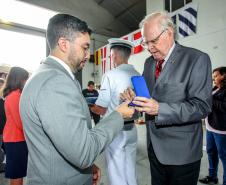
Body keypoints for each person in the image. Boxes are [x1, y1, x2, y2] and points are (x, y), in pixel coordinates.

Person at [19, 14, 134, 185]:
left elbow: (68, 143)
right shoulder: (54, 83)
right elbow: (83, 153)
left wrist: (86, 170)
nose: (88, 55)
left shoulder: (51, 76)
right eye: (85, 47)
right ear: (64, 44)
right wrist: (118, 114)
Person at [121, 11, 212, 185]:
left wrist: (159, 109)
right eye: (145, 42)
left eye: (153, 41)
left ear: (169, 32)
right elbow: (147, 95)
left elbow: (202, 106)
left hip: (182, 154)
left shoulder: (196, 59)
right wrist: (134, 96)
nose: (149, 47)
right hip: (154, 148)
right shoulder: (149, 63)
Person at [91, 38, 140, 185]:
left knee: (116, 173)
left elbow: (101, 108)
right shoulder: (137, 74)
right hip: (132, 129)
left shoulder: (110, 75)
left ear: (114, 56)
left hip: (116, 131)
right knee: (130, 170)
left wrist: (87, 106)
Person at [199, 67, 226, 185]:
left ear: (224, 76)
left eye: (216, 76)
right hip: (210, 127)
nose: (213, 78)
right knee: (211, 152)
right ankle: (212, 177)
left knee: (224, 157)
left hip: (221, 130)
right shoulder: (215, 88)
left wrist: (209, 99)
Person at [2, 67, 29, 185]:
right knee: (17, 176)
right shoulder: (14, 96)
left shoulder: (16, 95)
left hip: (16, 139)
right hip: (16, 140)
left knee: (19, 174)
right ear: (19, 79)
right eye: (25, 79)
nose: (26, 81)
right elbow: (20, 122)